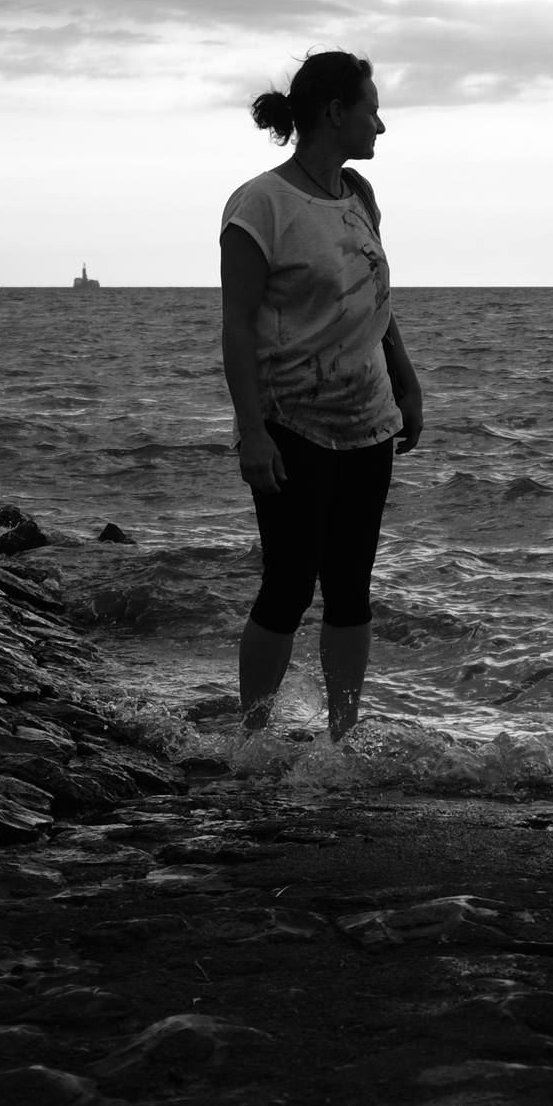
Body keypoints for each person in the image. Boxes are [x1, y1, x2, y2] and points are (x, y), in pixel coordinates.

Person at [217, 51, 424, 742]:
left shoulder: (359, 194)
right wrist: (251, 430)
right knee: (287, 587)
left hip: (368, 420)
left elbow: (375, 297)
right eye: (372, 109)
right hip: (291, 424)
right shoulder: (261, 205)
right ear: (336, 113)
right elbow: (237, 325)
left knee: (351, 587)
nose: (380, 125)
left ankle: (343, 741)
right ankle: (253, 742)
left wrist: (405, 378)